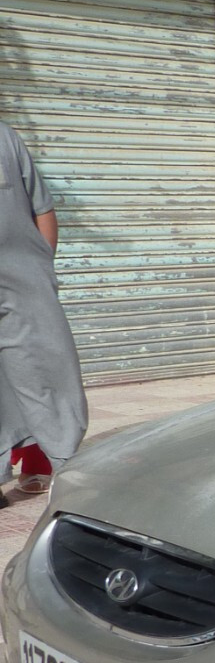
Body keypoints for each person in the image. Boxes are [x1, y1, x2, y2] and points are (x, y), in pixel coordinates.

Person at [0, 119, 86, 503]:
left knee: (47, 364)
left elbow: (42, 207)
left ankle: (60, 460)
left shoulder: (4, 136)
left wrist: (41, 268)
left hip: (22, 276)